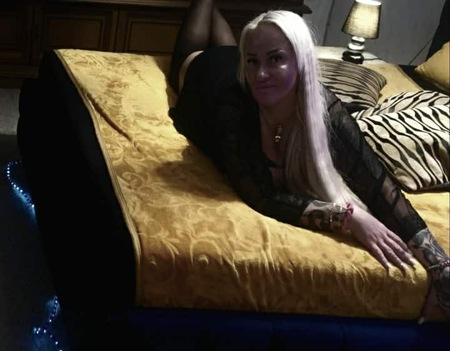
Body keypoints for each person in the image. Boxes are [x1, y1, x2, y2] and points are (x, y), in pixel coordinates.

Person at [168, 0, 449, 322]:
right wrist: (349, 218)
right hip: (209, 77)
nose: (260, 74)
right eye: (253, 62)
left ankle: (234, 42)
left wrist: (440, 265)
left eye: (276, 59)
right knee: (190, 58)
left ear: (301, 60)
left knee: (230, 49)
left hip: (233, 63)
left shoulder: (324, 106)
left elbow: (377, 184)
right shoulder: (233, 109)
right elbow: (261, 195)